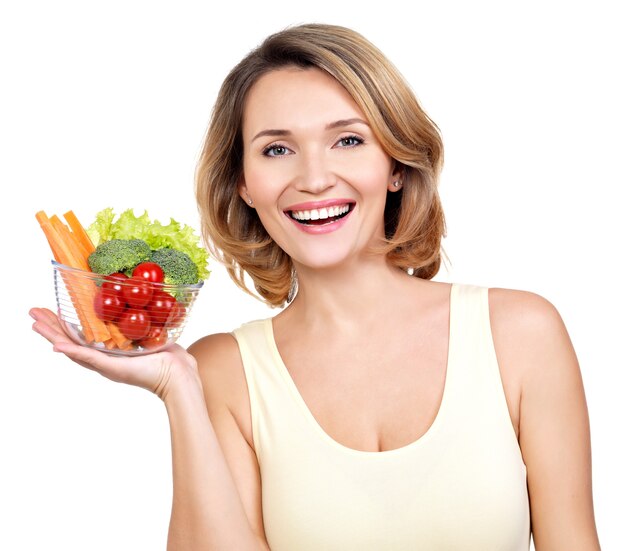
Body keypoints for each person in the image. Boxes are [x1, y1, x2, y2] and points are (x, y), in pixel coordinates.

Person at [30, 23, 600, 550]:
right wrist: (176, 389)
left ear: (396, 165)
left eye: (348, 140)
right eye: (277, 149)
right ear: (246, 184)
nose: (314, 178)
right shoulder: (223, 371)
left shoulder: (520, 335)